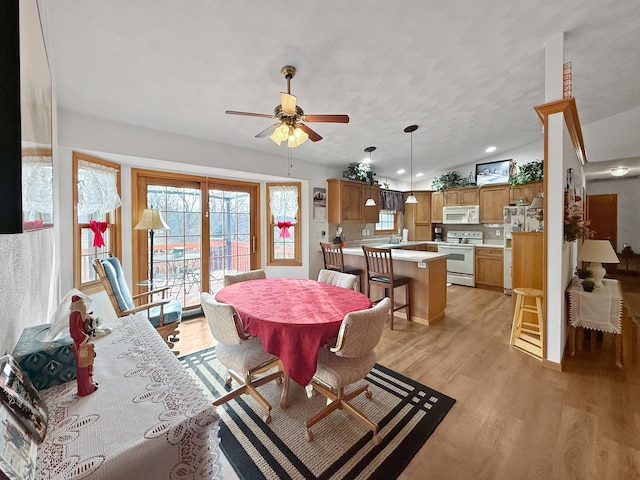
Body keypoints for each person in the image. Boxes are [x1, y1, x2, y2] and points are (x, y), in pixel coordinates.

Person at [69, 295, 97, 396]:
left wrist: (88, 319)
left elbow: (84, 321)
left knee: (88, 365)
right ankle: (85, 389)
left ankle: (89, 384)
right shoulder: (75, 315)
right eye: (82, 303)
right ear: (78, 305)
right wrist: (85, 338)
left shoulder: (79, 313)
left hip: (83, 344)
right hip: (80, 345)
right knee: (83, 368)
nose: (84, 305)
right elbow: (74, 331)